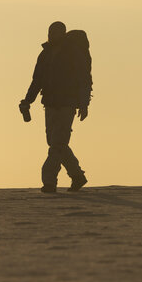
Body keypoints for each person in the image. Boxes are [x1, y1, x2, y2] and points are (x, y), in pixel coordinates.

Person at [19, 21, 93, 193]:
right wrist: (27, 100)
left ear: (63, 33)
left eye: (56, 32)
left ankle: (49, 182)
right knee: (55, 143)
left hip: (67, 105)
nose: (52, 35)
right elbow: (37, 80)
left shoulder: (73, 53)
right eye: (51, 32)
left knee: (57, 144)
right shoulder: (45, 54)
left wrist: (84, 104)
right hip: (50, 104)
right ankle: (77, 176)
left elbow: (84, 79)